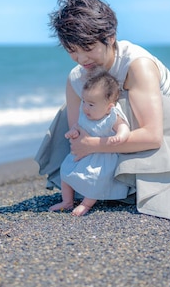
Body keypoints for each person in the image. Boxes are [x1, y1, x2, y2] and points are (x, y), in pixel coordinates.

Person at [35, 0, 170, 225]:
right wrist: (82, 145)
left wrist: (92, 145)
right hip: (126, 137)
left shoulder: (137, 64)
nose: (81, 59)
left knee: (121, 106)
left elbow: (152, 136)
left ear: (110, 38)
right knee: (85, 107)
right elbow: (78, 136)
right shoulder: (77, 78)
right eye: (72, 51)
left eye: (87, 48)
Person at [49, 69, 131, 216]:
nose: (85, 107)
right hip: (83, 155)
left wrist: (120, 135)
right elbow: (78, 126)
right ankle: (67, 201)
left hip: (102, 158)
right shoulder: (85, 112)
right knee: (65, 171)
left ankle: (86, 204)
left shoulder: (111, 117)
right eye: (84, 101)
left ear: (108, 107)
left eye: (91, 104)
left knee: (95, 179)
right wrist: (73, 131)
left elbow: (123, 126)